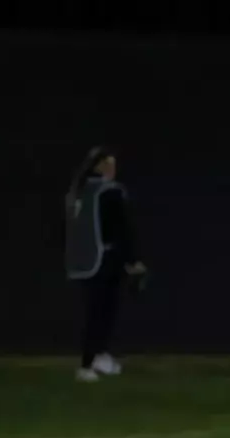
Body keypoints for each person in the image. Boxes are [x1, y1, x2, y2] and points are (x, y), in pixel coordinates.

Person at [63, 146, 147, 383]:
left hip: (86, 262)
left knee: (102, 312)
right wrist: (133, 260)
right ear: (98, 166)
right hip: (105, 260)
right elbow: (121, 229)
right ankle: (87, 364)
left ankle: (98, 356)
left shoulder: (79, 193)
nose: (112, 169)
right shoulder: (108, 192)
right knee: (100, 314)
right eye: (108, 164)